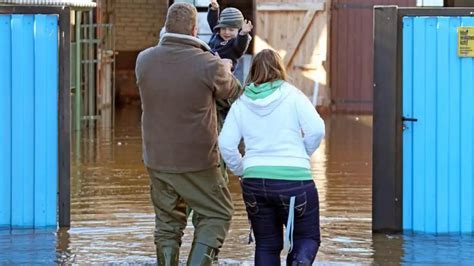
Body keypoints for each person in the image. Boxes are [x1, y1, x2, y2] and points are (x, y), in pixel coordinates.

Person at [135, 3, 242, 265]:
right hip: (199, 161)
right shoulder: (208, 64)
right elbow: (235, 93)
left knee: (168, 223)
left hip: (157, 159)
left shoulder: (143, 60)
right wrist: (225, 68)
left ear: (166, 26)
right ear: (195, 29)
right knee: (217, 213)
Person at [218, 49, 325, 266]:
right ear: (280, 69)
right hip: (295, 182)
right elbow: (316, 129)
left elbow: (226, 144)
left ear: (253, 71)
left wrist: (242, 169)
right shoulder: (292, 94)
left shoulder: (241, 102)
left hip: (255, 182)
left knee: (266, 244)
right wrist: (302, 155)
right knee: (306, 238)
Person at [207, 0, 253, 71]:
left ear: (239, 30)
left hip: (223, 71)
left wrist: (243, 34)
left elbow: (241, 46)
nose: (226, 32)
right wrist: (214, 10)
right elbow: (212, 21)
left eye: (231, 30)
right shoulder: (217, 33)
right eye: (223, 29)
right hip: (207, 64)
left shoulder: (235, 44)